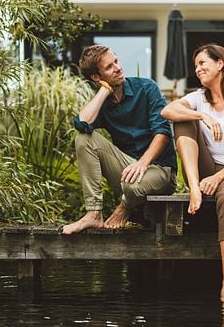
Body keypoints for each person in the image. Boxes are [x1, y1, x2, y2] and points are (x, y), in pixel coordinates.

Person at [161, 44, 224, 302]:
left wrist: (218, 177)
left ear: (220, 64)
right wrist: (201, 117)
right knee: (182, 120)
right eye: (196, 66)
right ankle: (193, 187)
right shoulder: (198, 98)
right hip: (203, 169)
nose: (198, 69)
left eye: (203, 63)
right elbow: (166, 111)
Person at [62, 45, 177, 235]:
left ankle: (124, 207)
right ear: (96, 77)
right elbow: (82, 124)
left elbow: (163, 133)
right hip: (128, 171)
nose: (118, 67)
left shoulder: (147, 88)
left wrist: (142, 164)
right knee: (84, 138)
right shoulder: (103, 103)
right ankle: (93, 213)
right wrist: (104, 91)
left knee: (131, 186)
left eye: (116, 61)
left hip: (160, 171)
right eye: (109, 67)